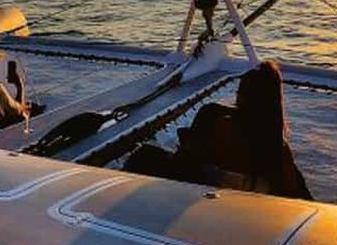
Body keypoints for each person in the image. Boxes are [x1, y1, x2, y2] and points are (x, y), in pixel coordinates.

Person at [124, 60, 312, 200]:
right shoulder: (277, 147)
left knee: (145, 155)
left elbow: (188, 161)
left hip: (210, 192)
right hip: (249, 199)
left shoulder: (225, 126)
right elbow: (296, 191)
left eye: (240, 92)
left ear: (244, 97)